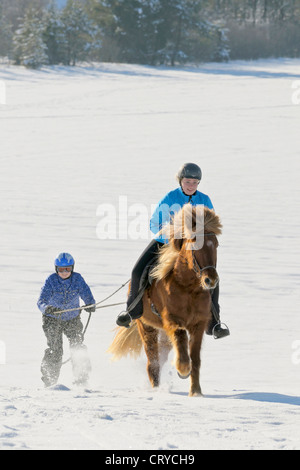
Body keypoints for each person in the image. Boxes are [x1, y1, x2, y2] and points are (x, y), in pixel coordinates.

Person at [116, 163, 229, 339]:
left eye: (194, 182)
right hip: (166, 242)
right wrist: (171, 233)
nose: (191, 185)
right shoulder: (170, 198)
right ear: (180, 181)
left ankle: (214, 324)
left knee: (212, 277)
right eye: (187, 181)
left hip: (194, 247)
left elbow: (211, 224)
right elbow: (154, 223)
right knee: (137, 270)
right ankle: (132, 311)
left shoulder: (204, 200)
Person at [37, 253, 96, 387]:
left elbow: (86, 292)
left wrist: (90, 304)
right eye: (61, 269)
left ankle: (81, 379)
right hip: (52, 319)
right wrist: (47, 308)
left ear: (72, 268)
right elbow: (41, 301)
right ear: (56, 269)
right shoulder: (51, 280)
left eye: (67, 269)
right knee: (55, 350)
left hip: (72, 318)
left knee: (78, 346)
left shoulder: (77, 279)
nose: (64, 272)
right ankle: (49, 380)